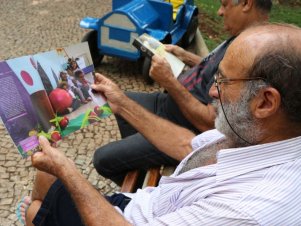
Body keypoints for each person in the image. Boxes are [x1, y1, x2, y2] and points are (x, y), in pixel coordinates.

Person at [21, 23, 301, 225]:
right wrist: (121, 103)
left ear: (265, 102)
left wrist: (67, 170)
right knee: (46, 184)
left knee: (35, 206)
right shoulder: (260, 132)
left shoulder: (250, 208)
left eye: (223, 81)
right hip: (146, 205)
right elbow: (186, 144)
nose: (213, 91)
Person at [93, 0, 272, 185]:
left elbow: (209, 122)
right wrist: (185, 56)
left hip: (183, 127)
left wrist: (169, 81)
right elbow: (212, 68)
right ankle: (140, 157)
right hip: (170, 105)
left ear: (245, 3)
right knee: (119, 101)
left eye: (225, 5)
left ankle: (144, 190)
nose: (219, 12)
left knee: (102, 159)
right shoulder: (243, 37)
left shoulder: (251, 53)